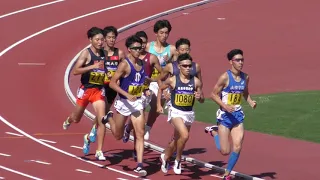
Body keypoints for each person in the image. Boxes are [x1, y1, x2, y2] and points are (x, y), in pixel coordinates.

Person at [204, 49, 257, 180]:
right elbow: (213, 94)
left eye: (242, 60)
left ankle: (227, 173)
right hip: (225, 117)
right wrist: (225, 106)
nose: (240, 62)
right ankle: (214, 132)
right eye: (237, 60)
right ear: (231, 62)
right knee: (225, 151)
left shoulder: (246, 77)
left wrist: (250, 101)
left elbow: (245, 92)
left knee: (238, 146)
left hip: (237, 115)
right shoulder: (225, 77)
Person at [102, 35, 148, 176]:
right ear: (129, 49)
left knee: (140, 134)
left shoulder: (142, 63)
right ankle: (109, 117)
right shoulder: (124, 64)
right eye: (134, 48)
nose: (138, 51)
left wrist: (146, 90)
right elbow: (112, 83)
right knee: (117, 135)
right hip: (124, 102)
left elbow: (140, 81)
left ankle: (140, 165)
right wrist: (127, 95)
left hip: (137, 103)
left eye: (139, 48)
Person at [62, 27, 107, 161]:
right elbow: (75, 71)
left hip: (98, 91)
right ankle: (68, 120)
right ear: (90, 40)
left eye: (101, 40)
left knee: (102, 119)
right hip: (86, 90)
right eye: (97, 40)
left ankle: (99, 150)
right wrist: (92, 67)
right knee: (76, 118)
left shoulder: (104, 53)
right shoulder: (86, 54)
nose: (100, 42)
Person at [157, 53, 204, 175]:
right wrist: (159, 105)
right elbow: (160, 88)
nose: (188, 68)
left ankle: (165, 157)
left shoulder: (196, 82)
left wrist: (199, 97)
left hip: (188, 112)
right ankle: (178, 160)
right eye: (185, 66)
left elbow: (202, 98)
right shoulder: (173, 79)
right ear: (179, 67)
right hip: (175, 111)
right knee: (185, 135)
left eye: (189, 66)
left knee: (178, 138)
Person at [122, 31, 162, 147]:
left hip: (145, 91)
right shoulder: (129, 58)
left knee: (139, 122)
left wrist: (153, 81)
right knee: (137, 119)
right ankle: (129, 130)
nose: (142, 46)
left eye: (144, 43)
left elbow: (162, 74)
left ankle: (135, 146)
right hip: (131, 91)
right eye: (140, 44)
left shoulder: (152, 57)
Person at [87, 26, 126, 146]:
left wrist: (119, 78)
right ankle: (96, 138)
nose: (111, 40)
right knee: (102, 112)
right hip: (101, 86)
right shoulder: (100, 52)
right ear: (104, 39)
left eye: (113, 37)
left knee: (102, 112)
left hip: (112, 88)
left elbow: (125, 69)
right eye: (109, 37)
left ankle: (89, 135)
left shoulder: (119, 53)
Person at [143, 19, 177, 139]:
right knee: (142, 104)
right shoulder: (148, 47)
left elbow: (175, 69)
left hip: (162, 83)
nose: (164, 35)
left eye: (166, 33)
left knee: (157, 109)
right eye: (161, 32)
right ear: (156, 33)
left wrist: (170, 86)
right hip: (148, 81)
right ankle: (134, 127)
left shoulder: (172, 49)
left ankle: (148, 127)